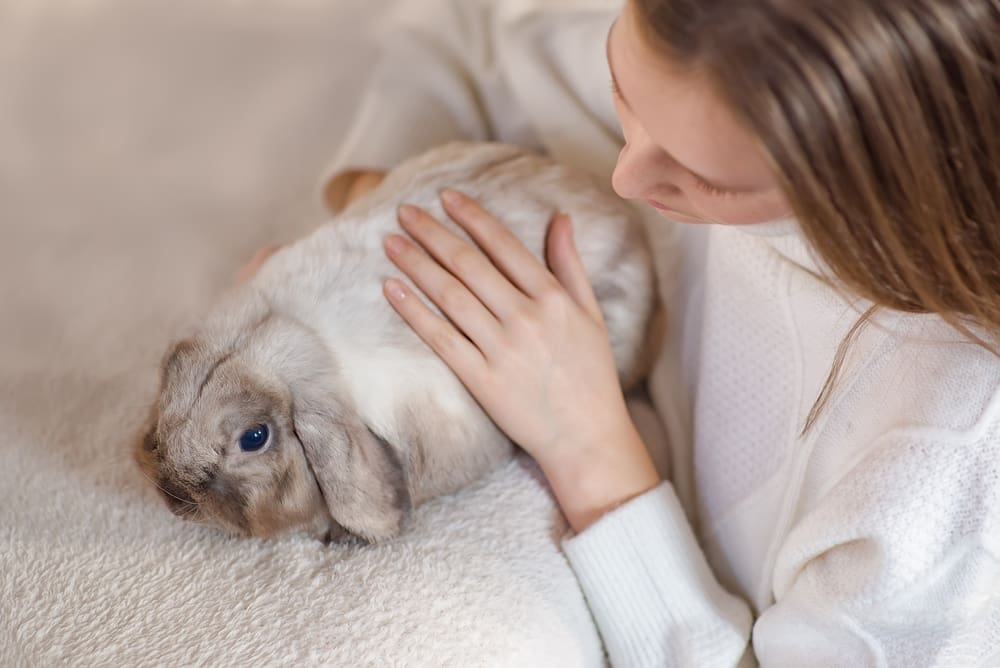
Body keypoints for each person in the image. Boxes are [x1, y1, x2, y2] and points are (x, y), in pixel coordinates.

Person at [245, 0, 1000, 665]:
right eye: (620, 93)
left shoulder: (943, 468)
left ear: (886, 174)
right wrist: (381, 218)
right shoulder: (698, 44)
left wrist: (591, 451)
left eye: (705, 178)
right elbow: (461, 37)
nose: (627, 176)